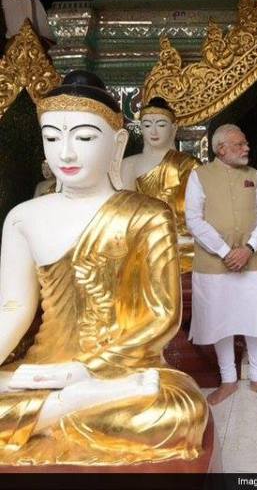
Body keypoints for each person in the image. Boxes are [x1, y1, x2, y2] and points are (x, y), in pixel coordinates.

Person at [0, 70, 207, 466]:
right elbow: (12, 308)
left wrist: (85, 369)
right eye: (52, 138)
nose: (65, 154)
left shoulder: (147, 215)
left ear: (118, 142)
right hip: (44, 367)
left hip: (121, 369)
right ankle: (70, 406)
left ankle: (62, 407)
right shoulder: (23, 217)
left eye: (83, 137)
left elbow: (163, 316)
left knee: (180, 413)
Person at [185, 123, 257, 405]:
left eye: (246, 143)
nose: (246, 148)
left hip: (253, 260)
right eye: (240, 144)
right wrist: (226, 251)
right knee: (220, 321)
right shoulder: (199, 176)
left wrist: (249, 248)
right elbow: (194, 220)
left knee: (255, 318)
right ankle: (228, 381)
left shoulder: (255, 176)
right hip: (214, 263)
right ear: (221, 149)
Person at [122, 96, 200, 272]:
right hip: (143, 238)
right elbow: (125, 211)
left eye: (161, 125)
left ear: (173, 128)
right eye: (147, 125)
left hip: (182, 240)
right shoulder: (128, 164)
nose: (154, 131)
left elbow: (199, 211)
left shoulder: (188, 165)